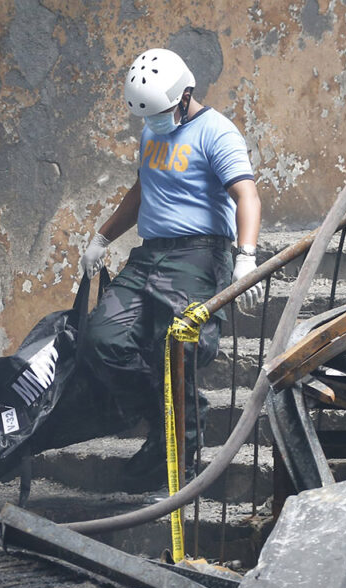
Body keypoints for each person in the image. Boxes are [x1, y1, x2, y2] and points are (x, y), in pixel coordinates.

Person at [78, 48, 263, 491]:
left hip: (199, 255)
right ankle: (168, 422)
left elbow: (247, 196)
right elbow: (143, 189)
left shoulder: (217, 133)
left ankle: (179, 451)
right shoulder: (151, 132)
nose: (155, 121)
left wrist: (247, 255)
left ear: (185, 95)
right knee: (101, 338)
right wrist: (102, 237)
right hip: (150, 254)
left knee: (176, 347)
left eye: (162, 112)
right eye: (149, 115)